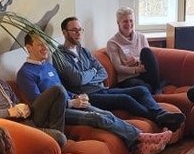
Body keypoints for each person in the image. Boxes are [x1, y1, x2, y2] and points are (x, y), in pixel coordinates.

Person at [17, 31, 171, 154]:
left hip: (71, 103)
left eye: (45, 44)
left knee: (105, 113)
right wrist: (71, 103)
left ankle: (138, 143)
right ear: (28, 48)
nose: (45, 48)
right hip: (55, 114)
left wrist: (76, 97)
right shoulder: (25, 73)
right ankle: (141, 137)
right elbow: (38, 104)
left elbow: (63, 90)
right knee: (97, 117)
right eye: (39, 45)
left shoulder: (48, 66)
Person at [57, 16, 185, 131]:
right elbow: (77, 80)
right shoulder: (59, 56)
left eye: (80, 30)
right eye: (74, 30)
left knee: (141, 90)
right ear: (64, 33)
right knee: (125, 99)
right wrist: (93, 71)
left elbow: (103, 72)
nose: (78, 33)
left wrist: (89, 74)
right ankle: (159, 118)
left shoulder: (84, 51)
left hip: (102, 89)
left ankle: (161, 114)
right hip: (87, 96)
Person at [0, 50, 67, 148]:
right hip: (11, 126)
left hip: (24, 118)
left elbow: (16, 102)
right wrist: (8, 112)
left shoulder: (1, 83)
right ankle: (54, 141)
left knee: (58, 90)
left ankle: (53, 142)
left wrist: (24, 108)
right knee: (60, 138)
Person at [105, 7, 162, 93]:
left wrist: (137, 59)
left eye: (131, 21)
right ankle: (154, 87)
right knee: (143, 87)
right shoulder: (112, 43)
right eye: (125, 21)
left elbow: (149, 59)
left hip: (144, 74)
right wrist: (136, 69)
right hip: (127, 79)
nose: (129, 24)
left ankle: (157, 88)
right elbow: (118, 68)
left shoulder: (141, 37)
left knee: (146, 51)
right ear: (118, 23)